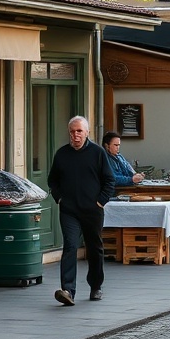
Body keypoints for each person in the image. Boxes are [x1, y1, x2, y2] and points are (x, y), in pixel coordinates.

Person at [48, 115, 115, 306]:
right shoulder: (62, 154)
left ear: (87, 133)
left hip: (92, 210)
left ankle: (96, 286)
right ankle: (68, 290)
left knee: (94, 247)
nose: (75, 135)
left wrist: (100, 201)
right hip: (69, 210)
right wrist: (59, 198)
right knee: (70, 246)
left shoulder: (98, 153)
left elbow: (109, 181)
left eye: (79, 131)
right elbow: (52, 180)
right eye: (72, 131)